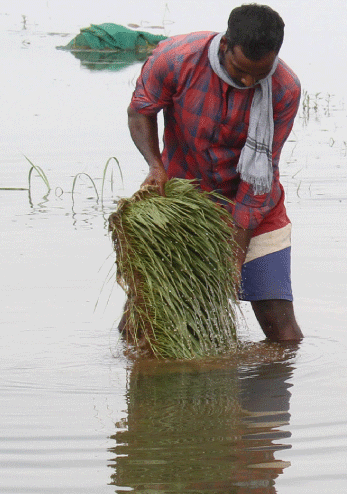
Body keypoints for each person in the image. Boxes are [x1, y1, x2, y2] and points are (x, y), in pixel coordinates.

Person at [127, 4, 303, 341]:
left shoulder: (284, 89)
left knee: (284, 335)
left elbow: (258, 183)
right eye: (240, 70)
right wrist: (155, 165)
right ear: (225, 46)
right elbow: (140, 110)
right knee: (147, 323)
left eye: (260, 72)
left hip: (255, 210)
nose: (248, 81)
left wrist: (233, 258)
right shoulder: (175, 59)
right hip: (184, 204)